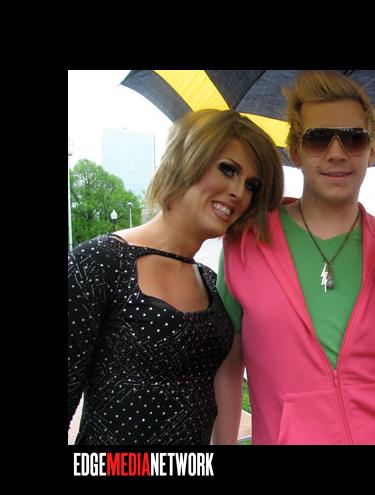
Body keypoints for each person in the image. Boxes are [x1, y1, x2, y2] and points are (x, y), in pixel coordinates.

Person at [217, 70, 375, 444]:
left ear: (371, 151)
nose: (337, 153)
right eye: (318, 139)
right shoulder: (244, 244)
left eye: (354, 138)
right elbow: (227, 370)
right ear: (295, 151)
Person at [68, 109, 284, 445]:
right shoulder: (99, 264)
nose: (239, 192)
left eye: (251, 186)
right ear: (187, 159)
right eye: (228, 169)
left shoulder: (211, 282)